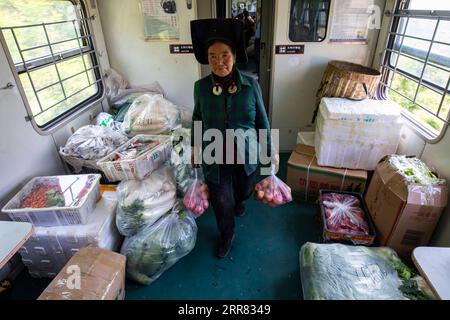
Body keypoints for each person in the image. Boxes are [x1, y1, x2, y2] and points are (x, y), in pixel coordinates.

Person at [190, 19, 279, 259]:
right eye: (212, 56)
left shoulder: (251, 86)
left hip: (246, 153)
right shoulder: (201, 87)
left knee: (245, 190)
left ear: (234, 55)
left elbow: (262, 119)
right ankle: (226, 234)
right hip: (214, 154)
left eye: (225, 55)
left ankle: (240, 201)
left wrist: (271, 149)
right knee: (222, 201)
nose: (219, 62)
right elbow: (197, 118)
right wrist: (195, 147)